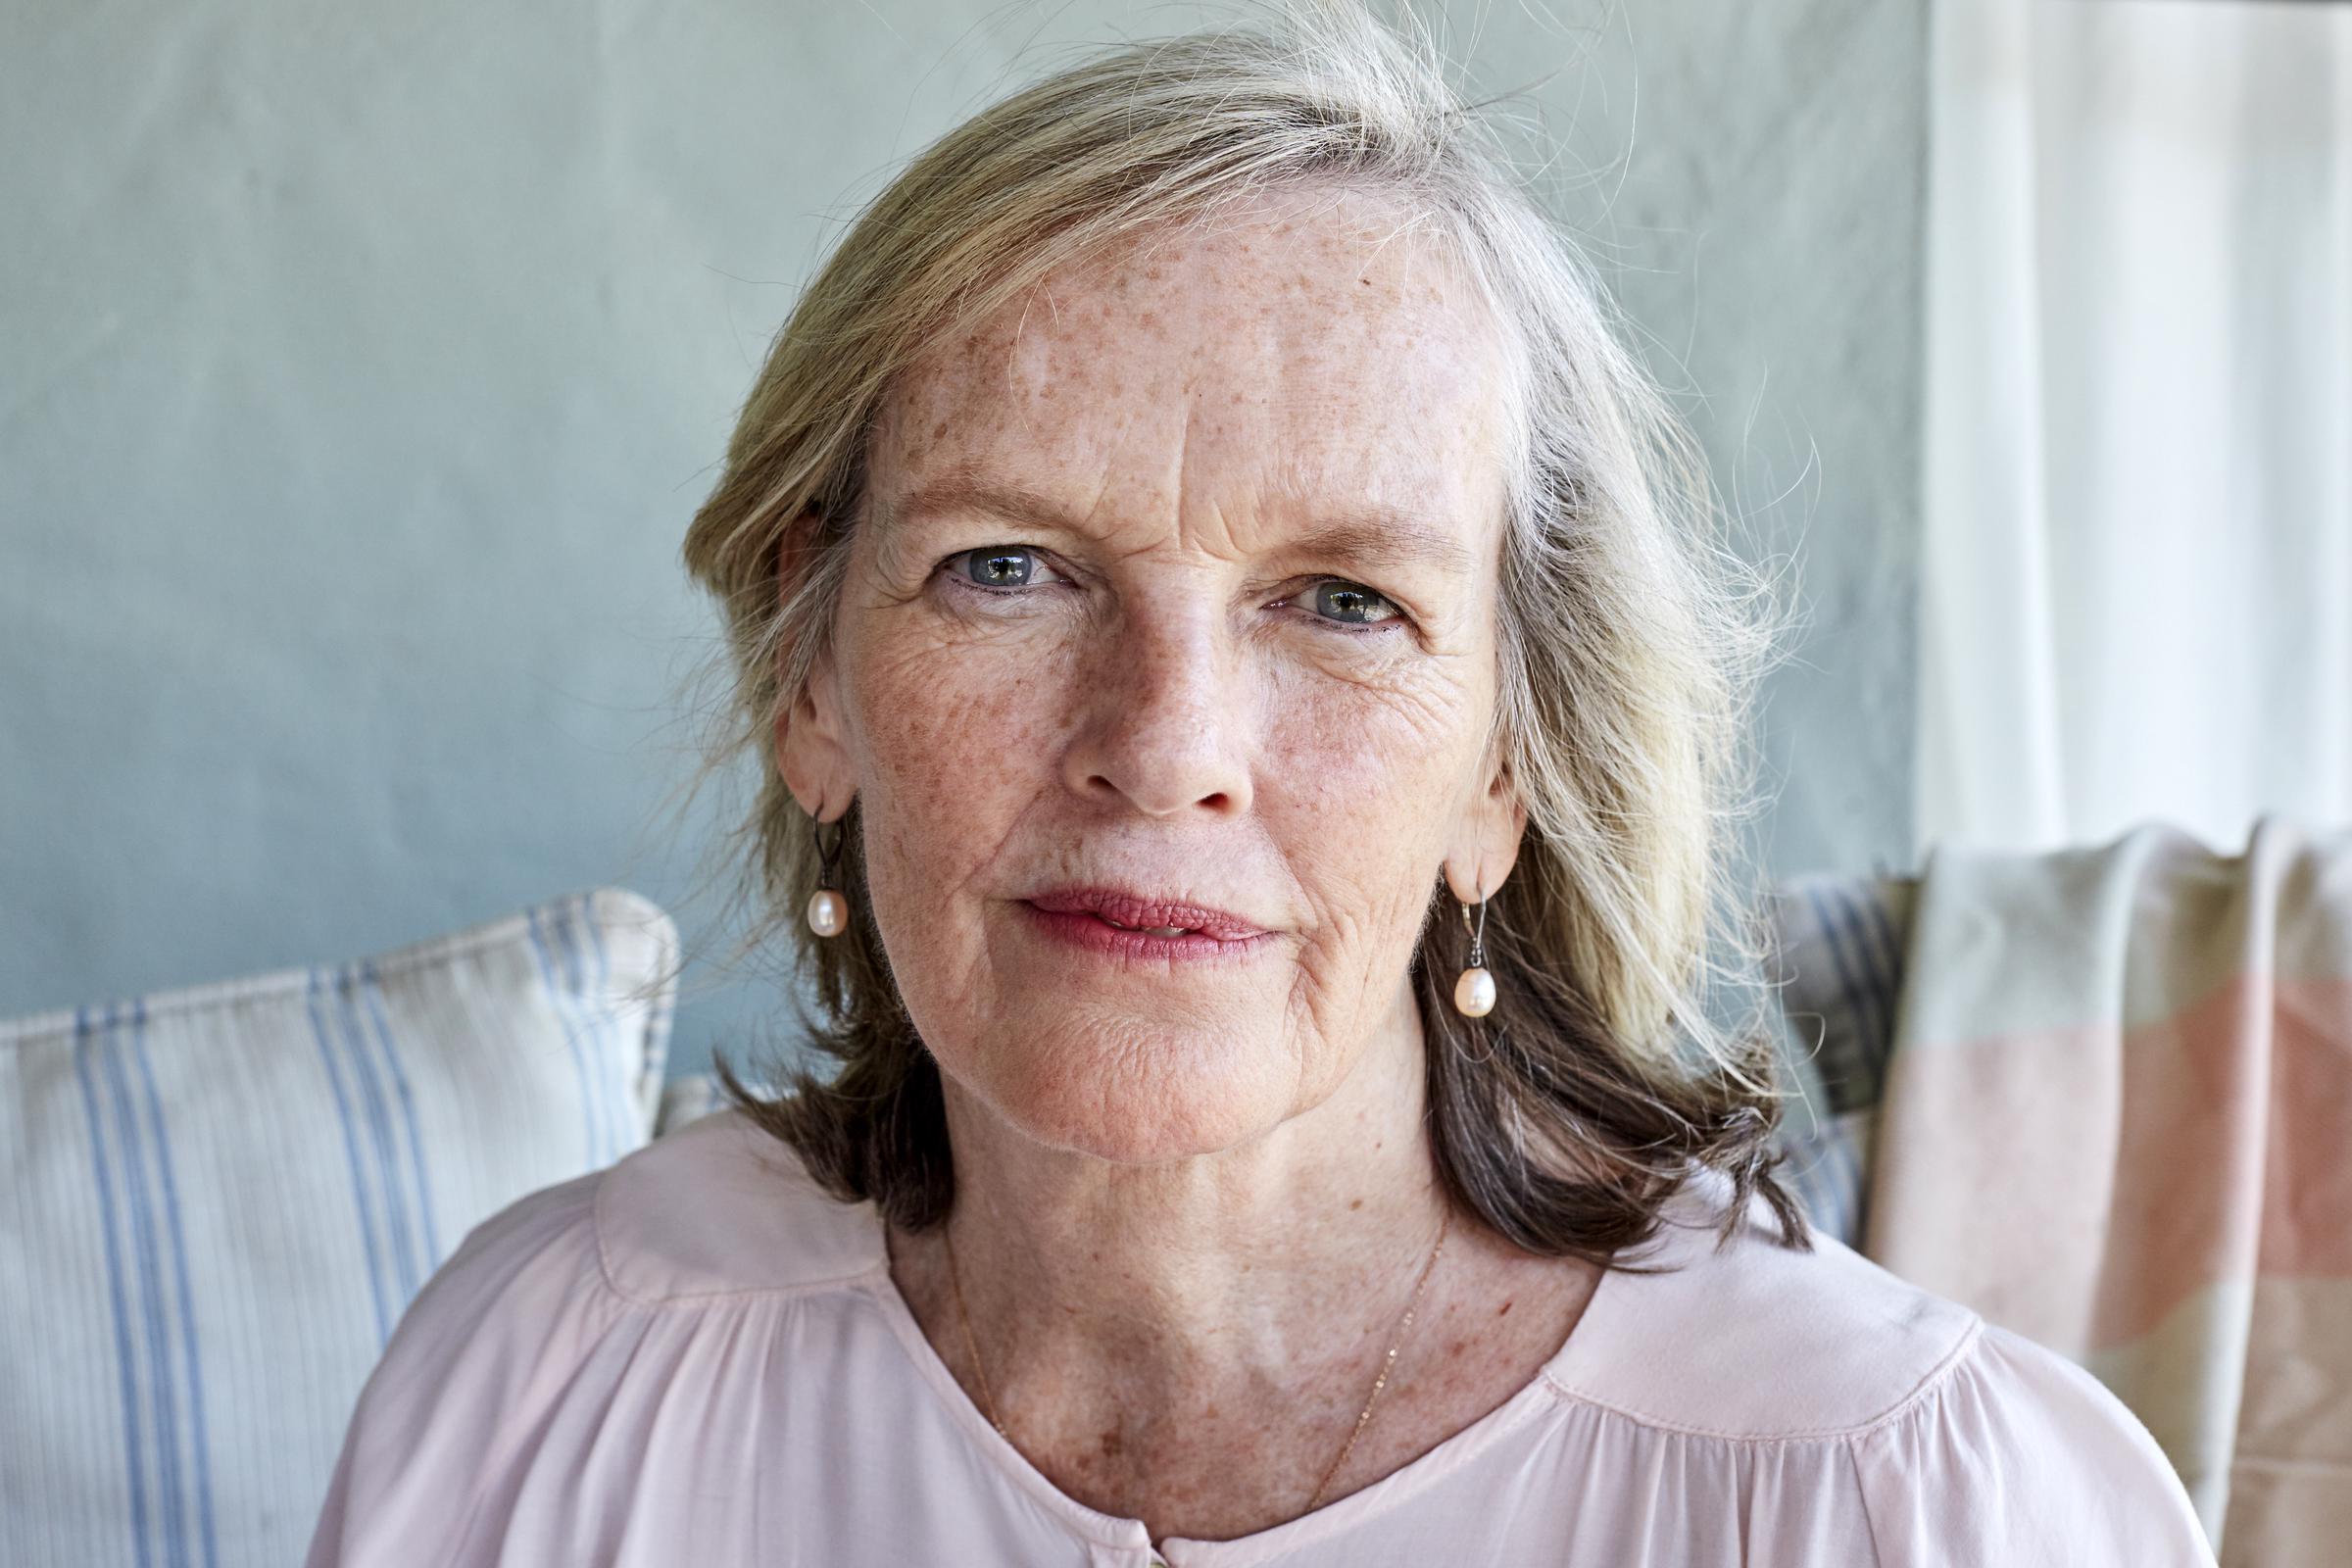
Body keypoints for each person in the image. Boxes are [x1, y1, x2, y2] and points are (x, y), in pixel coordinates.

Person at [305, 5, 2218, 1563]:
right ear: (814, 676)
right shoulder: (549, 1385)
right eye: (1007, 566)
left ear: (1506, 766)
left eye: (1342, 601)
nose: (1166, 745)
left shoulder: (1905, 1503)